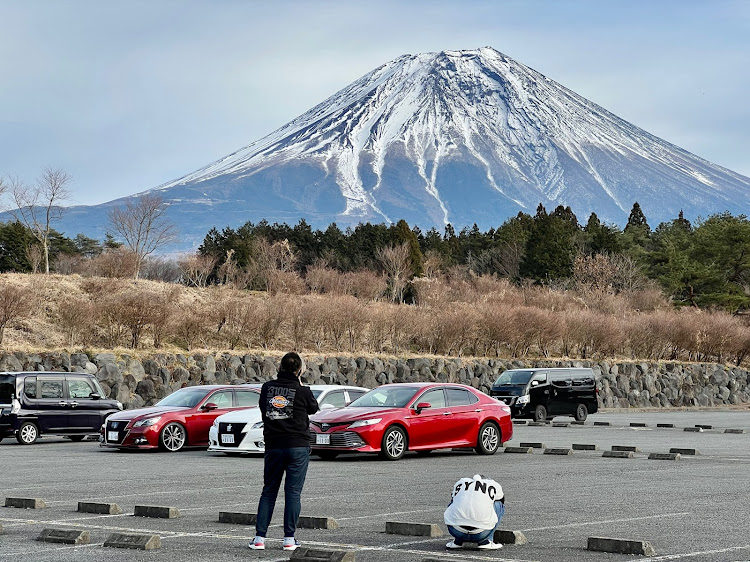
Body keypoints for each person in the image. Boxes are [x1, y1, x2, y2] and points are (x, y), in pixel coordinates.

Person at [248, 352, 319, 551]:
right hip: (298, 445)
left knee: (269, 491)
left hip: (274, 445)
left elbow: (263, 408)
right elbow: (314, 408)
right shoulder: (303, 390)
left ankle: (259, 538)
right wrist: (301, 384)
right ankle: (289, 538)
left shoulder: (267, 388)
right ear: (299, 370)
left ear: (280, 367)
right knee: (293, 493)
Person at [443, 474, 505, 550]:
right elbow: (502, 500)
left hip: (456, 531)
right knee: (498, 504)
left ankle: (457, 542)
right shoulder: (493, 484)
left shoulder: (461, 482)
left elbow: (453, 498)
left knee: (454, 502)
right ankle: (486, 541)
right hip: (481, 533)